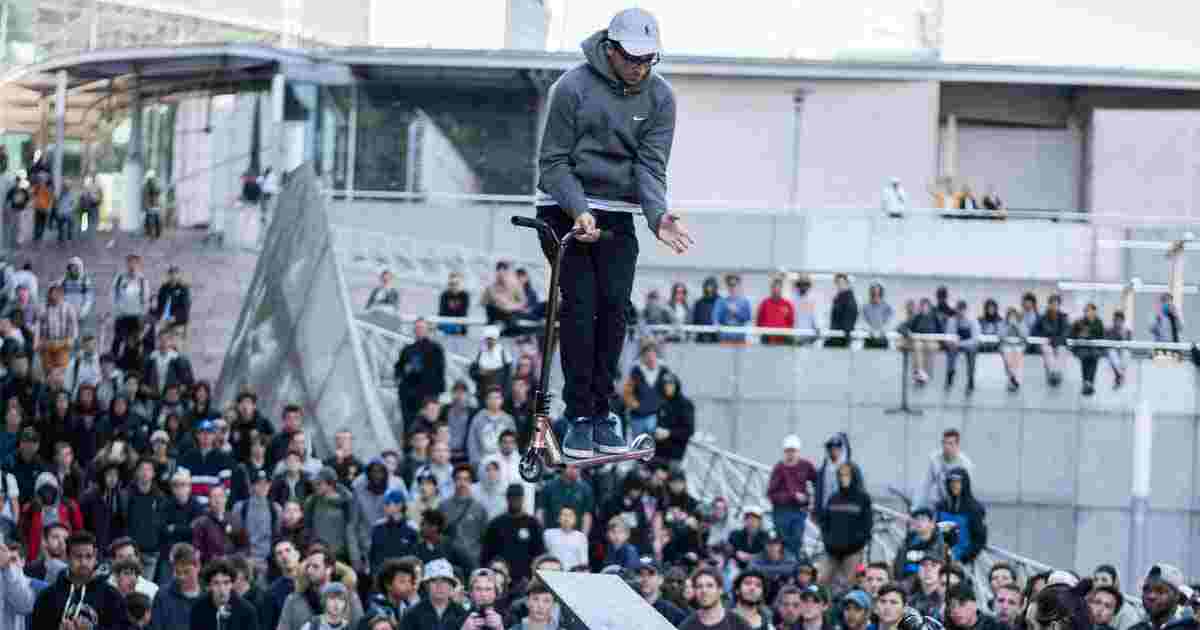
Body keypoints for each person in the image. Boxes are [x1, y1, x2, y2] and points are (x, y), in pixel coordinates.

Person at [536, 6, 693, 459]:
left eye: (648, 60)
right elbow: (552, 165)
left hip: (618, 212)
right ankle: (578, 414)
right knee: (582, 305)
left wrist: (658, 215)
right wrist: (579, 209)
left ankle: (602, 412)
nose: (640, 68)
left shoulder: (661, 99)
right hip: (564, 206)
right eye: (632, 59)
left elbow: (650, 167)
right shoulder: (571, 88)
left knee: (616, 309)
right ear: (610, 49)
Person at [30, 531, 129, 630]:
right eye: (78, 556)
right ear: (67, 558)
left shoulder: (112, 596)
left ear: (95, 557)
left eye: (88, 556)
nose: (83, 562)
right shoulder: (47, 597)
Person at [767, 435, 817, 561]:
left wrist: (811, 498)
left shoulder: (806, 465)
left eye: (793, 451)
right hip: (781, 511)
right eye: (788, 451)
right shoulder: (779, 468)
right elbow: (771, 494)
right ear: (784, 452)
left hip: (799, 511)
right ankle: (785, 565)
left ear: (798, 451)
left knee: (797, 539)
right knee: (783, 541)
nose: (791, 454)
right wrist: (792, 496)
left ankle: (792, 565)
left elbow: (817, 481)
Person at [933, 468, 987, 565]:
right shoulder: (941, 506)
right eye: (951, 482)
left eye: (958, 482)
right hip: (938, 561)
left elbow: (979, 540)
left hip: (961, 564)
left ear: (965, 483)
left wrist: (962, 559)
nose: (954, 485)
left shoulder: (974, 508)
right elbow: (935, 533)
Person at [189, 558, 258, 630]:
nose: (222, 589)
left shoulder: (247, 611)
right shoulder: (198, 609)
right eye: (216, 583)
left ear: (232, 584)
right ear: (209, 586)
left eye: (226, 583)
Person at [680, 566, 752, 630]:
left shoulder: (739, 624)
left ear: (720, 590)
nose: (704, 590)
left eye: (710, 585)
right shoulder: (686, 626)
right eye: (699, 586)